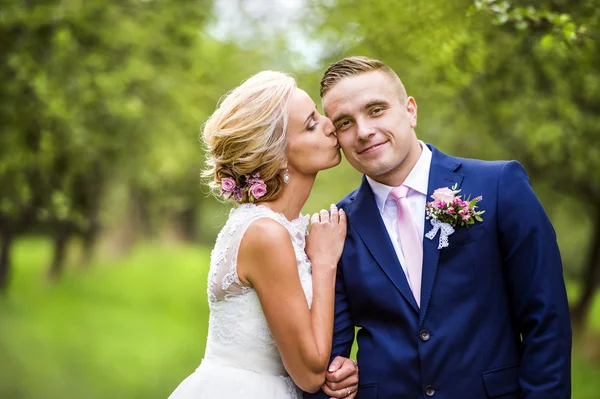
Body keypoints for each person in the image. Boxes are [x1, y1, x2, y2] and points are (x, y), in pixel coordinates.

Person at [305, 56, 572, 399]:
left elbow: (546, 319)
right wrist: (337, 377)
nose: (363, 131)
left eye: (375, 110)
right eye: (344, 123)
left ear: (410, 110)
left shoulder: (499, 185)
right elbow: (329, 358)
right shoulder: (337, 226)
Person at [167, 70, 358, 399]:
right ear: (278, 156)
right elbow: (310, 374)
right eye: (311, 124)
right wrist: (324, 262)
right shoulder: (265, 234)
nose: (330, 125)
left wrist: (345, 368)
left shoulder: (282, 227)